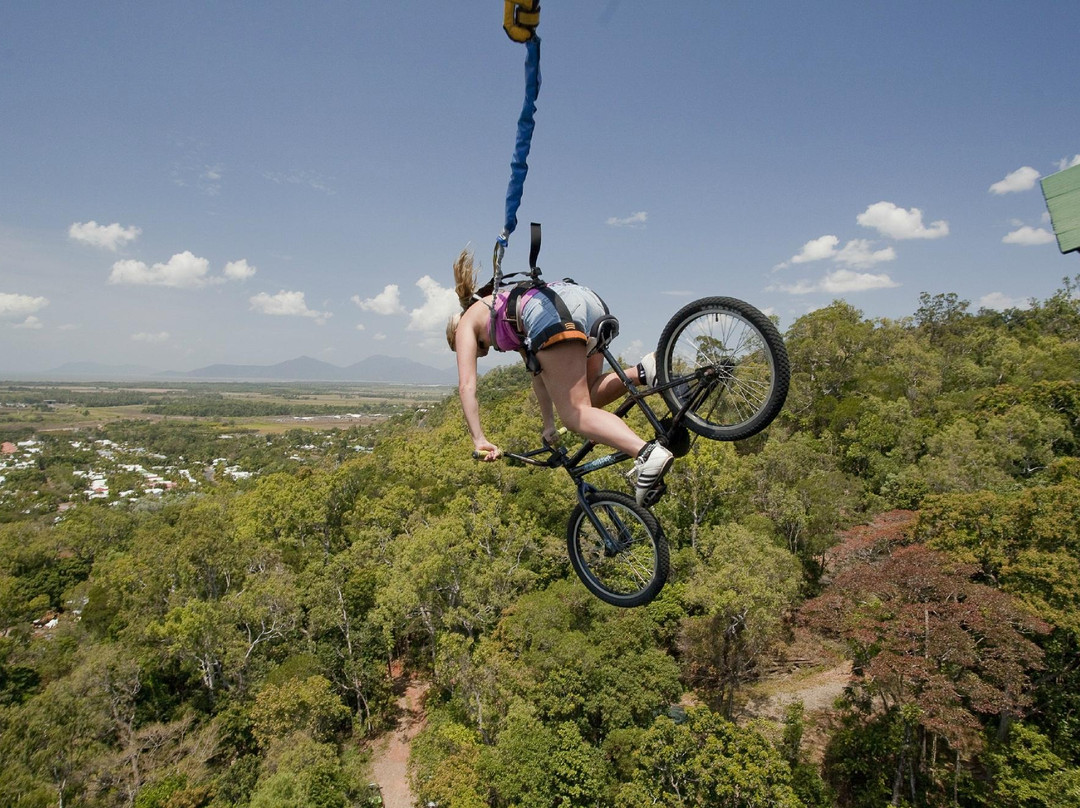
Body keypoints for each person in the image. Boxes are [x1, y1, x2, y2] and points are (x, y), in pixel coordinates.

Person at [446, 248, 673, 506]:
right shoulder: (503, 310)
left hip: (553, 313)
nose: (477, 353)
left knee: (575, 414)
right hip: (583, 300)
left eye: (473, 349)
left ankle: (646, 454)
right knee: (589, 397)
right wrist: (548, 424)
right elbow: (539, 376)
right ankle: (644, 372)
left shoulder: (466, 323)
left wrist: (479, 439)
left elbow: (467, 386)